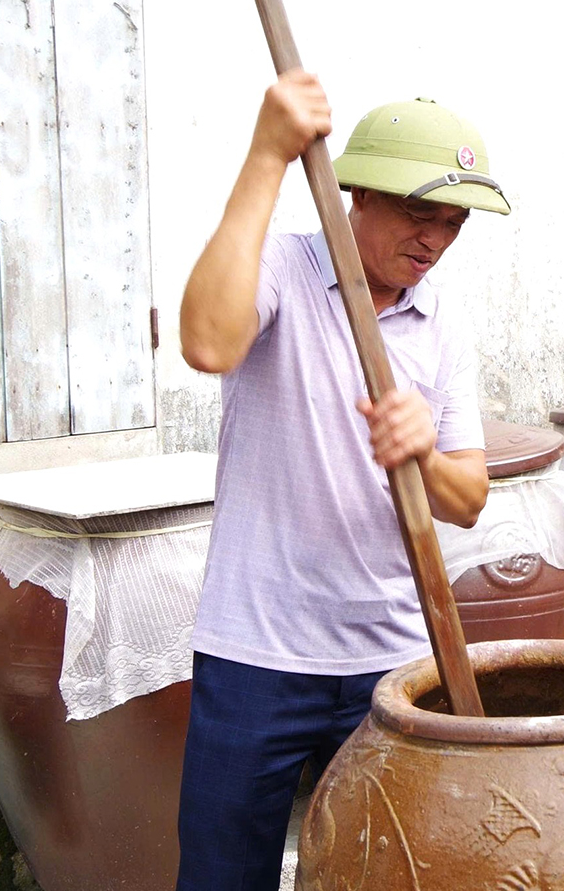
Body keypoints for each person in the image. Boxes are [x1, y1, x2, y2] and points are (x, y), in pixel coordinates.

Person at [175, 69, 510, 890]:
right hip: (258, 652)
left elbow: (469, 498)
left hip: (390, 662)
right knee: (223, 875)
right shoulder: (286, 272)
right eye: (416, 213)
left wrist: (424, 456)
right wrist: (267, 155)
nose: (434, 241)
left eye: (453, 223)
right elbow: (208, 344)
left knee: (386, 874)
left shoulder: (440, 323)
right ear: (353, 193)